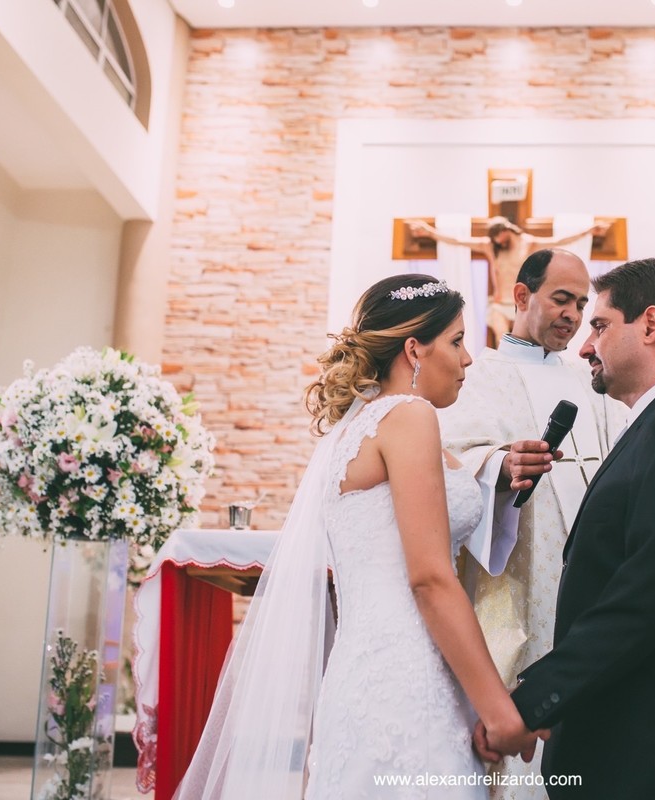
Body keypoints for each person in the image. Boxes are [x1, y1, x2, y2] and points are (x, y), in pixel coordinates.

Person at [176, 275, 544, 799]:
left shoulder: (358, 428)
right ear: (414, 349)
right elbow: (430, 580)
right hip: (409, 681)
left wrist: (504, 469)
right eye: (458, 342)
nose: (468, 361)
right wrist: (497, 709)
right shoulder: (409, 417)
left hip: (362, 673)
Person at [475, 258, 655, 799]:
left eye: (601, 325)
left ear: (651, 325)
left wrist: (537, 697)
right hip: (644, 751)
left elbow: (651, 590)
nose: (586, 346)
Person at [437, 249, 626, 799]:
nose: (572, 315)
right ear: (521, 297)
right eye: (560, 299)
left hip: (595, 577)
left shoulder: (592, 382)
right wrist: (499, 465)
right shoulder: (479, 375)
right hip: (520, 581)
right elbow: (446, 458)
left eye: (580, 304)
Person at [409, 217, 608, 340]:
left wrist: (588, 231)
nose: (496, 241)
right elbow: (459, 241)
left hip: (521, 304)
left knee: (529, 341)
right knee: (503, 340)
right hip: (498, 304)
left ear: (505, 230)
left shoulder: (527, 243)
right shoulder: (490, 246)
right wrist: (430, 232)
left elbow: (559, 241)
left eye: (497, 236)